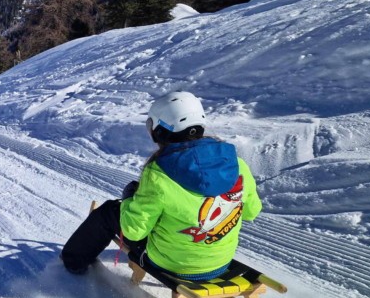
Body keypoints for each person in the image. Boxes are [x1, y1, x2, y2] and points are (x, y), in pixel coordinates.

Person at [61, 91, 262, 280]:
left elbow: (133, 231)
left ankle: (72, 263)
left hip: (172, 264)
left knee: (109, 212)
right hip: (219, 262)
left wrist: (130, 198)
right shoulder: (237, 165)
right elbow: (251, 212)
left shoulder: (158, 174)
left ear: (159, 131)